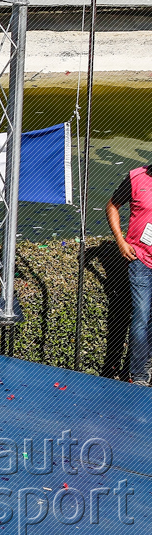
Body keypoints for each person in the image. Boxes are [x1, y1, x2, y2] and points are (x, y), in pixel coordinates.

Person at [108, 161, 152, 385]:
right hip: (140, 260)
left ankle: (144, 366)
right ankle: (138, 376)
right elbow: (112, 206)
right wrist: (120, 242)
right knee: (142, 316)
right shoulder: (136, 177)